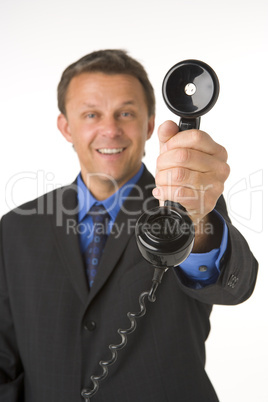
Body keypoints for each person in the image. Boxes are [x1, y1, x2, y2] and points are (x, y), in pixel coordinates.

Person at [0, 49, 258, 402]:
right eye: (92, 114)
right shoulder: (15, 229)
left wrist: (195, 220)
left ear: (150, 124)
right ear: (66, 127)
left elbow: (231, 288)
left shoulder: (191, 208)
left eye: (126, 113)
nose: (110, 130)